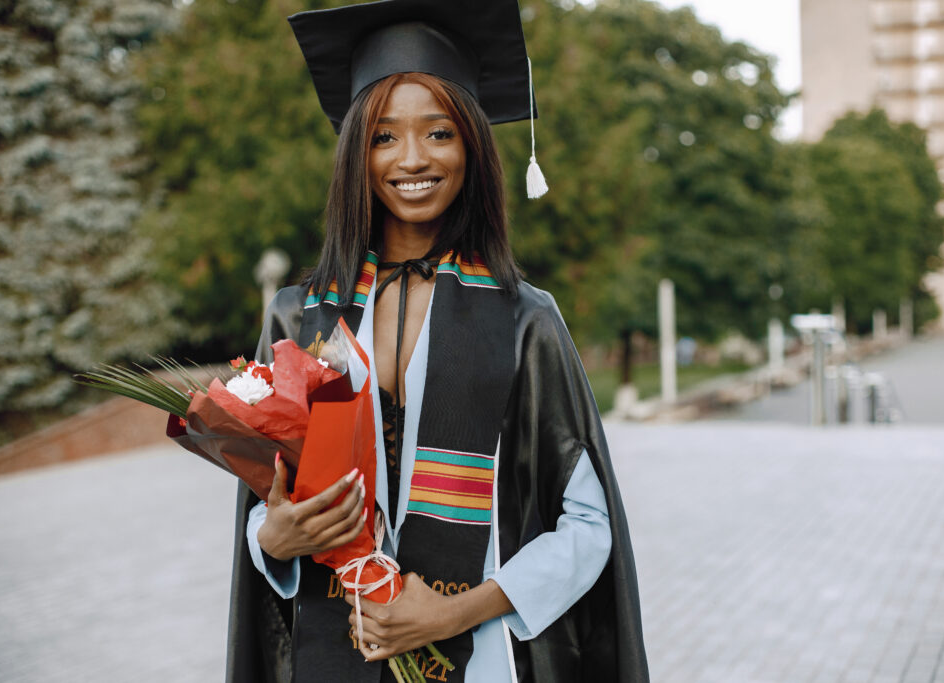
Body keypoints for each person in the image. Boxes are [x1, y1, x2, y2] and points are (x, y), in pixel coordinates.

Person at [226, 2, 649, 682]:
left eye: (440, 132)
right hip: (330, 653)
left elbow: (588, 526)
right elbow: (265, 509)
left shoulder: (523, 320)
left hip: (477, 659)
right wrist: (273, 539)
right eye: (384, 137)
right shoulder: (302, 316)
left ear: (472, 146)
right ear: (355, 153)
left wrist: (454, 613)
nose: (413, 159)